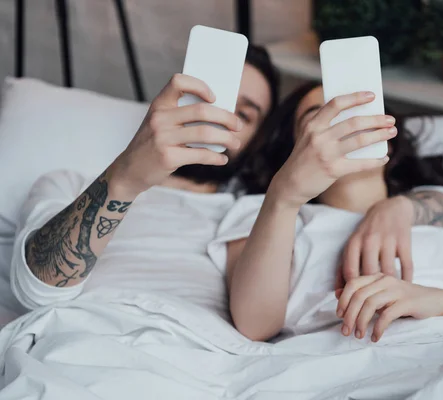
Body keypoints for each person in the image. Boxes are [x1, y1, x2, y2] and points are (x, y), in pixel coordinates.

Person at [225, 83, 443, 342]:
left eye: (356, 112)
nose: (343, 123)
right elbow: (255, 324)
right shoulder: (269, 213)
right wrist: (284, 195)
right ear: (295, 149)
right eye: (318, 115)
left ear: (390, 140)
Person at [10, 45, 279, 313]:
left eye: (243, 114)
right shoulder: (69, 185)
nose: (218, 118)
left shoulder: (251, 215)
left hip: (201, 347)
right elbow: (39, 289)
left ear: (256, 141)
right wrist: (125, 179)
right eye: (212, 100)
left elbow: (258, 320)